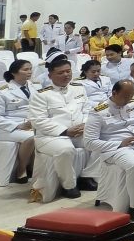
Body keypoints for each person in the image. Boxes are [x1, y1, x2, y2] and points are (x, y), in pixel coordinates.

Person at [84, 80, 134, 222]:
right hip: (116, 148)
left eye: (131, 96)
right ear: (114, 93)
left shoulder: (132, 104)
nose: (128, 100)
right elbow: (89, 142)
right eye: (125, 96)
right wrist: (120, 143)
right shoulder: (98, 112)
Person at [29, 56, 94, 197]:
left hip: (79, 131)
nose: (66, 75)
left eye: (68, 71)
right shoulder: (41, 95)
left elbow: (87, 110)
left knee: (99, 142)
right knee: (65, 150)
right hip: (51, 136)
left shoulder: (78, 88)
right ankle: (69, 185)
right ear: (50, 76)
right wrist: (65, 131)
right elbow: (38, 120)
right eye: (60, 72)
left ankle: (86, 176)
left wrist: (85, 124)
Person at [0, 60, 37, 183]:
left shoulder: (35, 86)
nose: (29, 72)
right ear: (14, 72)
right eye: (25, 69)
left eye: (30, 69)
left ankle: (36, 166)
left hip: (31, 123)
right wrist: (19, 125)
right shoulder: (1, 91)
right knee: (31, 138)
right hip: (6, 127)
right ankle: (21, 168)